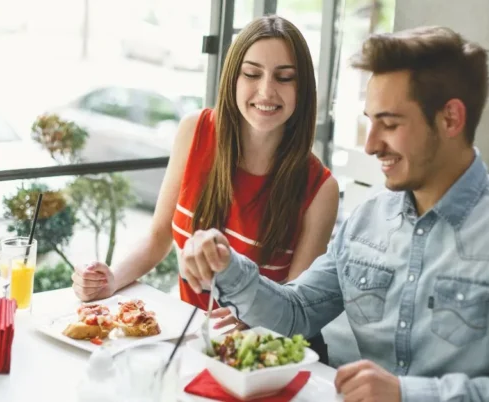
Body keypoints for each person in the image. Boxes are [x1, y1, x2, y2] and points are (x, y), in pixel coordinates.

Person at [180, 26, 489, 402]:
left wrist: (407, 394)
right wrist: (228, 265)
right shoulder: (366, 221)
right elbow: (298, 313)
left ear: (450, 119)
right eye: (370, 123)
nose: (371, 145)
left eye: (389, 124)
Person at [70, 15, 340, 363]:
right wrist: (111, 279)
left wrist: (246, 322)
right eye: (252, 73)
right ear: (232, 78)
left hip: (258, 359)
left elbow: (293, 310)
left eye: (284, 77)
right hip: (190, 342)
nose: (266, 91)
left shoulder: (321, 189)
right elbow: (157, 237)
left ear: (302, 90)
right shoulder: (195, 130)